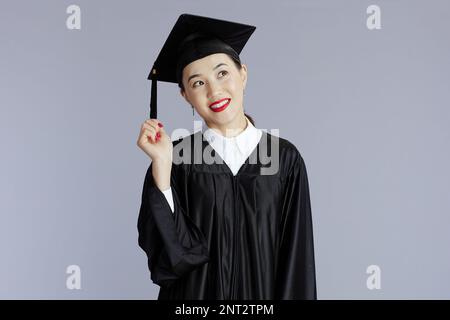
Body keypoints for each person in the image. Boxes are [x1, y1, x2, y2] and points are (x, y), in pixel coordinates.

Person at [136, 13, 316, 300]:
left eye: (222, 73)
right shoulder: (176, 159)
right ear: (185, 95)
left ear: (242, 73)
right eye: (197, 83)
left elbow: (296, 260)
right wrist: (161, 168)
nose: (214, 90)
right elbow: (170, 262)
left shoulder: (284, 159)